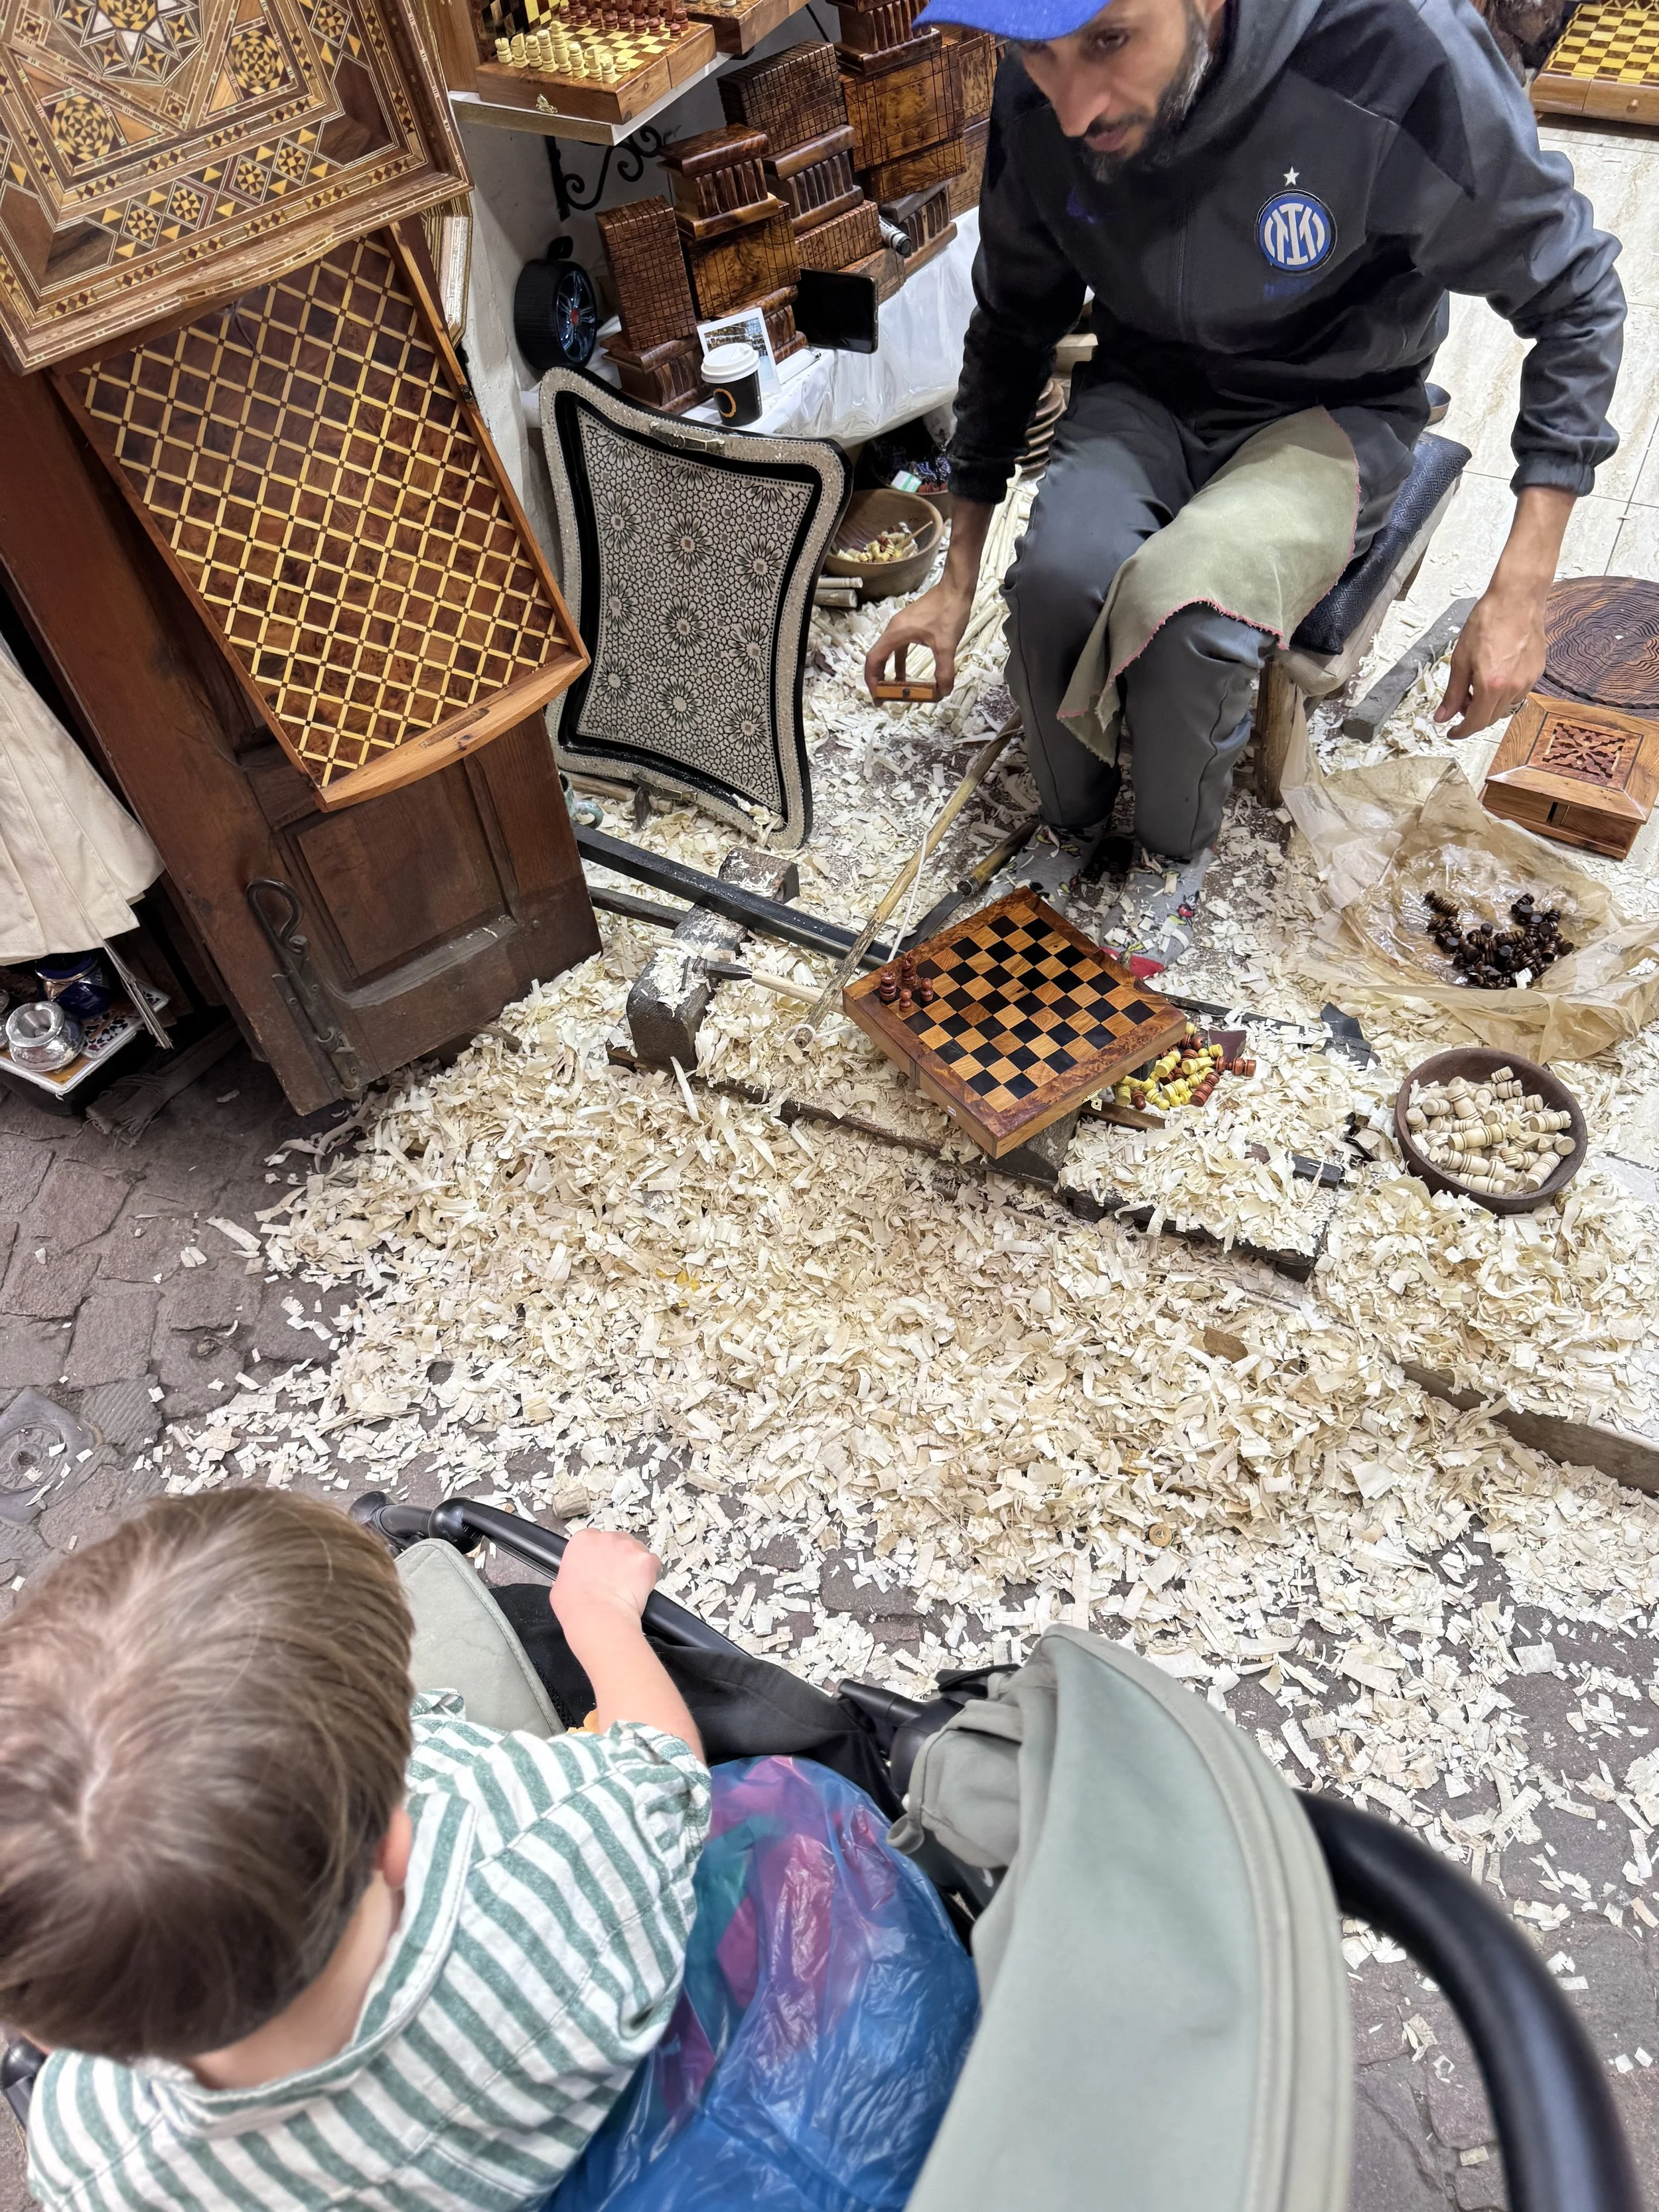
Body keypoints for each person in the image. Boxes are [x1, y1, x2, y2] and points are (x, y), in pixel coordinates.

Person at [865, 0, 1624, 889]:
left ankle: (1170, 864)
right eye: (1039, 53)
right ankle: (1066, 832)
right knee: (1051, 591)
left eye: (1110, 40)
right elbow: (1011, 323)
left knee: (1186, 616)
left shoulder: (1400, 48)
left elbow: (1576, 295)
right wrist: (957, 580)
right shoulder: (1056, 80)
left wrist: (1522, 592)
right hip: (1145, 385)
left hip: (1336, 404)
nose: (1073, 110)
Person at [0, 1490, 709, 2212]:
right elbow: (663, 1769)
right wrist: (600, 1612)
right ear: (397, 1843)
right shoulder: (544, 1835)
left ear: (63, 2031)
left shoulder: (91, 2163)